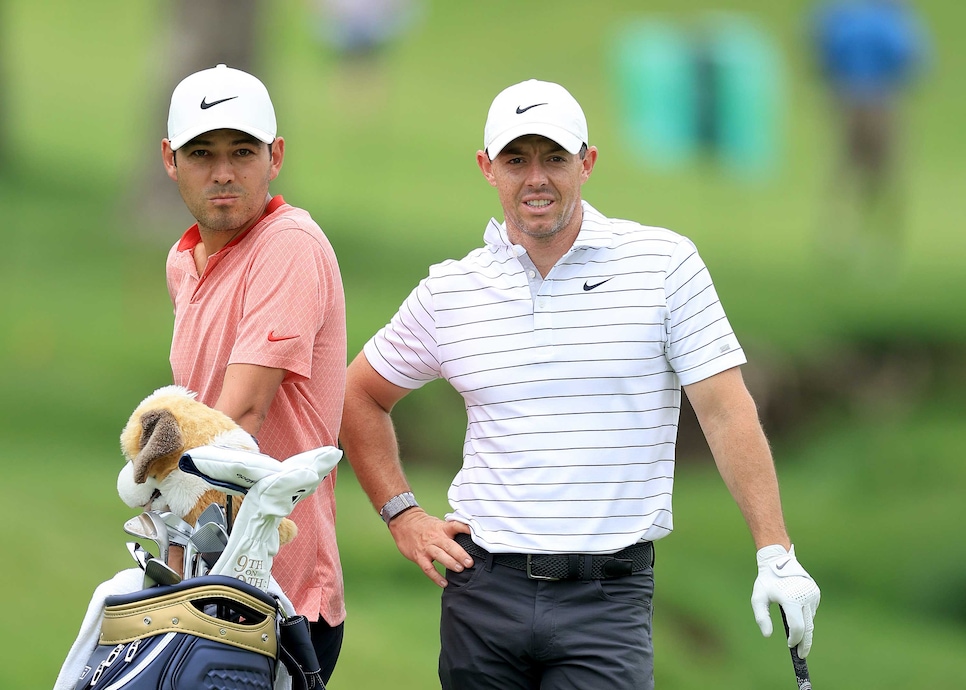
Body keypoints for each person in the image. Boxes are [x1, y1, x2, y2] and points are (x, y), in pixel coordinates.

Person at [338, 78, 821, 689]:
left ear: (586, 163)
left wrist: (774, 551)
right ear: (488, 169)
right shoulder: (450, 291)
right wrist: (402, 514)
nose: (535, 177)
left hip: (608, 599)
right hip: (482, 593)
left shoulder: (664, 266)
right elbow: (359, 394)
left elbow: (726, 412)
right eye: (516, 159)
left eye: (554, 158)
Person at [161, 63, 347, 682]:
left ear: (276, 155)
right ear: (170, 159)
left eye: (243, 151)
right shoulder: (185, 261)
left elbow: (238, 418)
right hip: (199, 582)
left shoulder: (289, 244)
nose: (222, 172)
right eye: (202, 152)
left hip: (278, 593)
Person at [811, 0, 930, 255]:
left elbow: (823, 51)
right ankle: (880, 243)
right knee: (884, 176)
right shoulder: (891, 15)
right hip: (881, 100)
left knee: (845, 172)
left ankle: (837, 238)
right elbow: (912, 59)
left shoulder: (840, 13)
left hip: (846, 98)